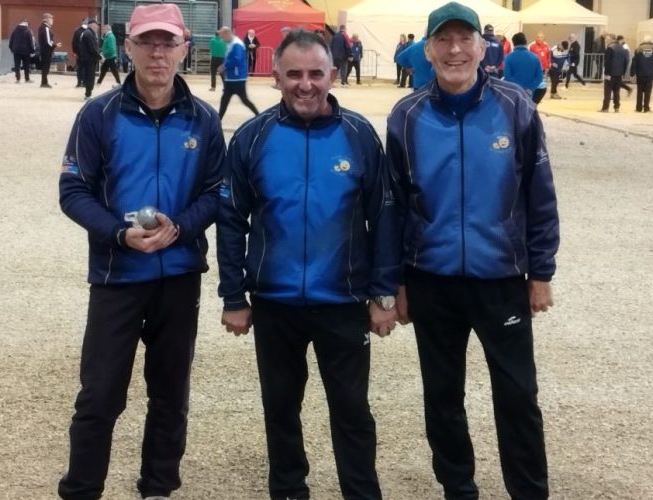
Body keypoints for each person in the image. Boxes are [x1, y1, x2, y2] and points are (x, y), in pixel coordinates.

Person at [217, 28, 400, 500]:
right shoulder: (253, 137)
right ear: (275, 77)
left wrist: (383, 295)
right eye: (293, 74)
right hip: (274, 303)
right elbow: (231, 219)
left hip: (343, 301)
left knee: (352, 411)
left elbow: (384, 215)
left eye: (315, 74)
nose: (305, 84)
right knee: (280, 408)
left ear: (332, 75)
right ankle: (288, 490)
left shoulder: (358, 135)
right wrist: (233, 296)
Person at [386, 3, 559, 499]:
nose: (455, 50)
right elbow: (394, 205)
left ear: (483, 48)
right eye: (444, 40)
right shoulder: (406, 116)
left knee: (518, 394)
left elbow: (540, 195)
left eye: (465, 39)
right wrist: (395, 282)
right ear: (428, 50)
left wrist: (541, 272)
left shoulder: (516, 106)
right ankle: (458, 488)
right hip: (431, 279)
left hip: (500, 278)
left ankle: (529, 491)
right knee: (442, 396)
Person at [57, 4, 224, 499]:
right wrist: (117, 234)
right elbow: (73, 190)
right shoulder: (98, 114)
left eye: (167, 43)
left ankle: (158, 487)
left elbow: (217, 191)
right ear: (127, 47)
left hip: (179, 275)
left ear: (184, 50)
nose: (157, 53)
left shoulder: (203, 119)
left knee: (171, 394)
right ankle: (81, 490)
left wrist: (182, 227)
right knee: (100, 395)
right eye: (147, 42)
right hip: (118, 275)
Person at [217, 26, 259, 118]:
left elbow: (237, 59)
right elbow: (230, 58)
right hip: (232, 78)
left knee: (242, 100)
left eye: (223, 37)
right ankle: (218, 119)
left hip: (237, 78)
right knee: (226, 100)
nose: (223, 40)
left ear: (227, 34)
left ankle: (258, 115)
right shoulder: (232, 43)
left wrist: (224, 66)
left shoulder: (237, 44)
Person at [504, 32, 544, 104]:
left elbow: (507, 76)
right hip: (530, 93)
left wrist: (519, 89)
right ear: (526, 42)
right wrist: (530, 89)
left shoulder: (508, 57)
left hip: (515, 93)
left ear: (513, 43)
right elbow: (539, 77)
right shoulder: (535, 57)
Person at [630, 35, 653, 112]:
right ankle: (646, 108)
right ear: (650, 41)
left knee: (639, 91)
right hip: (650, 74)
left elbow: (634, 62)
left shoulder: (638, 49)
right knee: (648, 91)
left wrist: (632, 73)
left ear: (643, 41)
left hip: (640, 73)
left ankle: (638, 108)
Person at [600, 35, 628, 112]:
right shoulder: (622, 48)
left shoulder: (610, 48)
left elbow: (607, 62)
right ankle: (617, 107)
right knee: (616, 91)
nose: (605, 41)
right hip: (619, 74)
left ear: (612, 39)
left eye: (607, 39)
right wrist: (623, 72)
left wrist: (606, 73)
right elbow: (626, 61)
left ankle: (605, 108)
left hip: (611, 73)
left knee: (607, 91)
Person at [77, 20, 101, 100]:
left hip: (88, 59)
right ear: (91, 25)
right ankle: (88, 94)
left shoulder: (89, 33)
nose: (97, 27)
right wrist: (100, 57)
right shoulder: (88, 34)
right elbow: (92, 48)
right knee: (90, 77)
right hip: (89, 59)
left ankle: (88, 93)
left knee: (89, 76)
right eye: (96, 25)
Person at [38, 13, 61, 88]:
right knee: (46, 67)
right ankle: (44, 83)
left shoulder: (42, 27)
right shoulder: (46, 28)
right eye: (51, 19)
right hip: (46, 51)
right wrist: (55, 45)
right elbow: (48, 41)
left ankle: (44, 82)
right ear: (46, 19)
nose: (52, 20)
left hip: (44, 50)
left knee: (45, 67)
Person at [72, 19, 88, 88]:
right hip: (86, 54)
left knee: (80, 68)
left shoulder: (77, 31)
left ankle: (79, 82)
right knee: (85, 68)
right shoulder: (89, 31)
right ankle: (84, 82)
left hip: (79, 53)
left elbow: (73, 43)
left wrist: (74, 52)